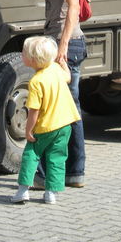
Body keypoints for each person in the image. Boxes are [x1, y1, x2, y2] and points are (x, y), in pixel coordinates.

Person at [30, 0, 87, 188]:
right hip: (60, 41)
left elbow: (73, 7)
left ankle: (47, 175)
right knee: (67, 109)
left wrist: (62, 46)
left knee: (53, 111)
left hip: (65, 43)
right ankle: (73, 172)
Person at [10, 36, 81, 205]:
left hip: (45, 127)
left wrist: (28, 130)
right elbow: (68, 78)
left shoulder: (36, 81)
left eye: (24, 53)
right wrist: (64, 64)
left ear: (33, 60)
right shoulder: (55, 69)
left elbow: (34, 110)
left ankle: (22, 191)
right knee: (56, 158)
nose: (21, 54)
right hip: (65, 125)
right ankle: (51, 193)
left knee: (30, 155)